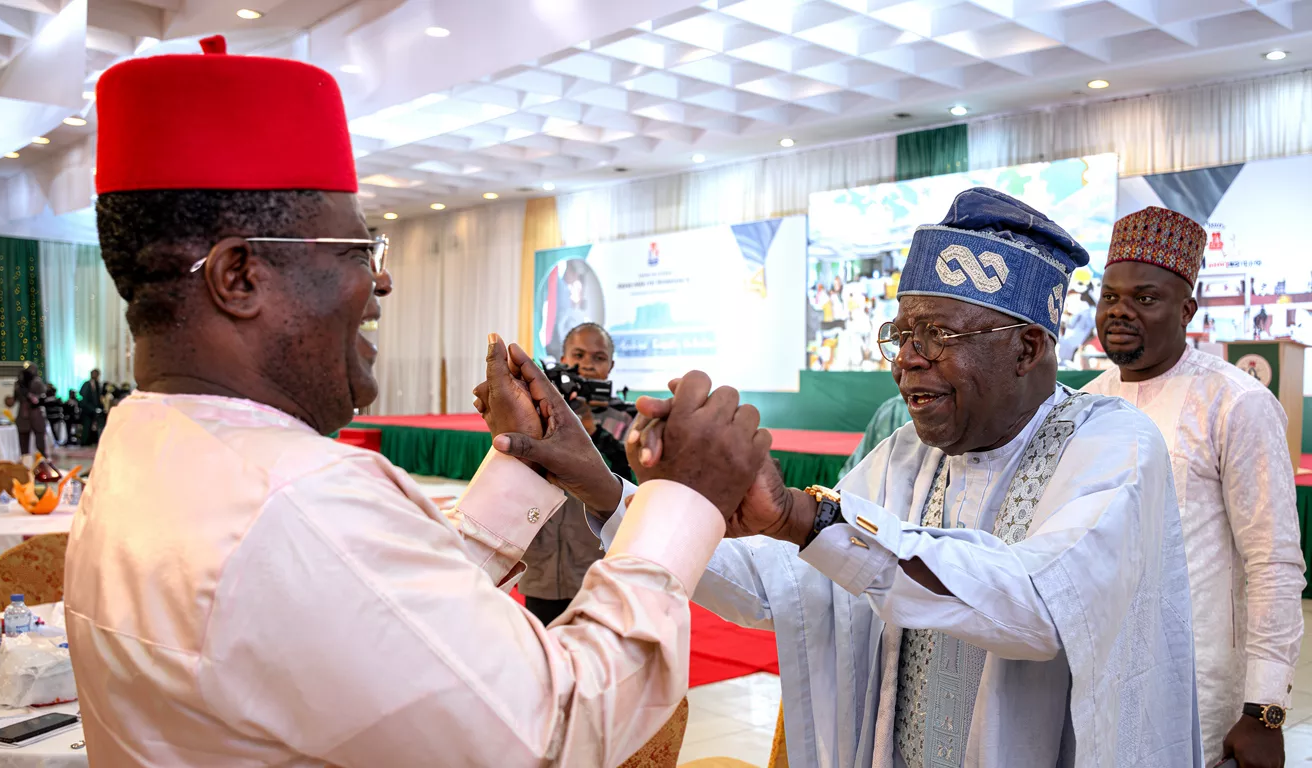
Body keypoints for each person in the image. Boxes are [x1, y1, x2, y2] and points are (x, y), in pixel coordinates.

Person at [64, 36, 771, 767]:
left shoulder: (145, 451)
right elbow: (556, 728)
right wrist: (686, 499)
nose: (383, 284)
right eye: (355, 253)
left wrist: (525, 463)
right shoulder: (299, 500)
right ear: (239, 277)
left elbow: (379, 616)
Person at [500, 188, 1201, 767]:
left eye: (939, 337)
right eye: (902, 336)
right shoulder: (904, 455)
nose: (908, 362)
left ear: (1026, 347)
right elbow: (778, 590)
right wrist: (603, 487)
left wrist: (808, 520)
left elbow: (1040, 608)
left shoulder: (1114, 445)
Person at [1084, 206, 1305, 768]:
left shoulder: (1237, 403)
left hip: (1200, 693)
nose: (1120, 312)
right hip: (1098, 681)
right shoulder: (1084, 404)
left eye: (1145, 298)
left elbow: (1274, 564)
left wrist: (1264, 710)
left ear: (1187, 310)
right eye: (1110, 296)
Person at [513, 323, 632, 626]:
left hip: (599, 561)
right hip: (544, 559)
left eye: (598, 357)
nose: (587, 364)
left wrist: (594, 431)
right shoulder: (539, 412)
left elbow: (630, 478)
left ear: (611, 366)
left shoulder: (627, 418)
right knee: (544, 649)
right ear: (563, 358)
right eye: (578, 354)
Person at [13, 363, 47, 457]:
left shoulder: (37, 382)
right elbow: (14, 399)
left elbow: (42, 397)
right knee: (24, 444)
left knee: (40, 443)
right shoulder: (19, 384)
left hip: (35, 414)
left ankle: (41, 461)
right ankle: (26, 462)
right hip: (24, 415)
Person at [79, 369, 106, 445]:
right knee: (87, 426)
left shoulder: (97, 384)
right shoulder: (87, 384)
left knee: (95, 426)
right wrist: (92, 408)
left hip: (95, 409)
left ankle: (92, 441)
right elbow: (84, 397)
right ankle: (85, 442)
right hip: (87, 409)